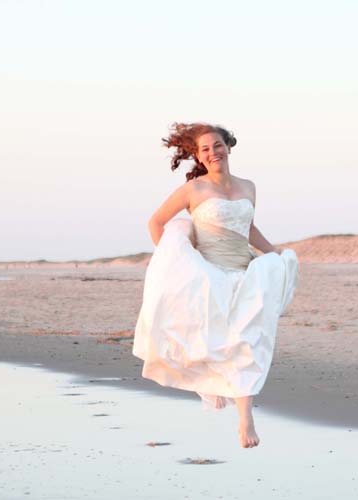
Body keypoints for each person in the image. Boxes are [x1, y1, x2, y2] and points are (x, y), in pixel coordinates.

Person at [133, 122, 299, 448]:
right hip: (209, 274)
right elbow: (156, 222)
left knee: (248, 339)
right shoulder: (193, 189)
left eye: (218, 145)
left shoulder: (248, 186)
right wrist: (173, 261)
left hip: (245, 271)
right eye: (205, 149)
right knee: (208, 337)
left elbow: (248, 228)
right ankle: (210, 385)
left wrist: (275, 253)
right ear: (198, 155)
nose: (213, 152)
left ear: (229, 146)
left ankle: (244, 418)